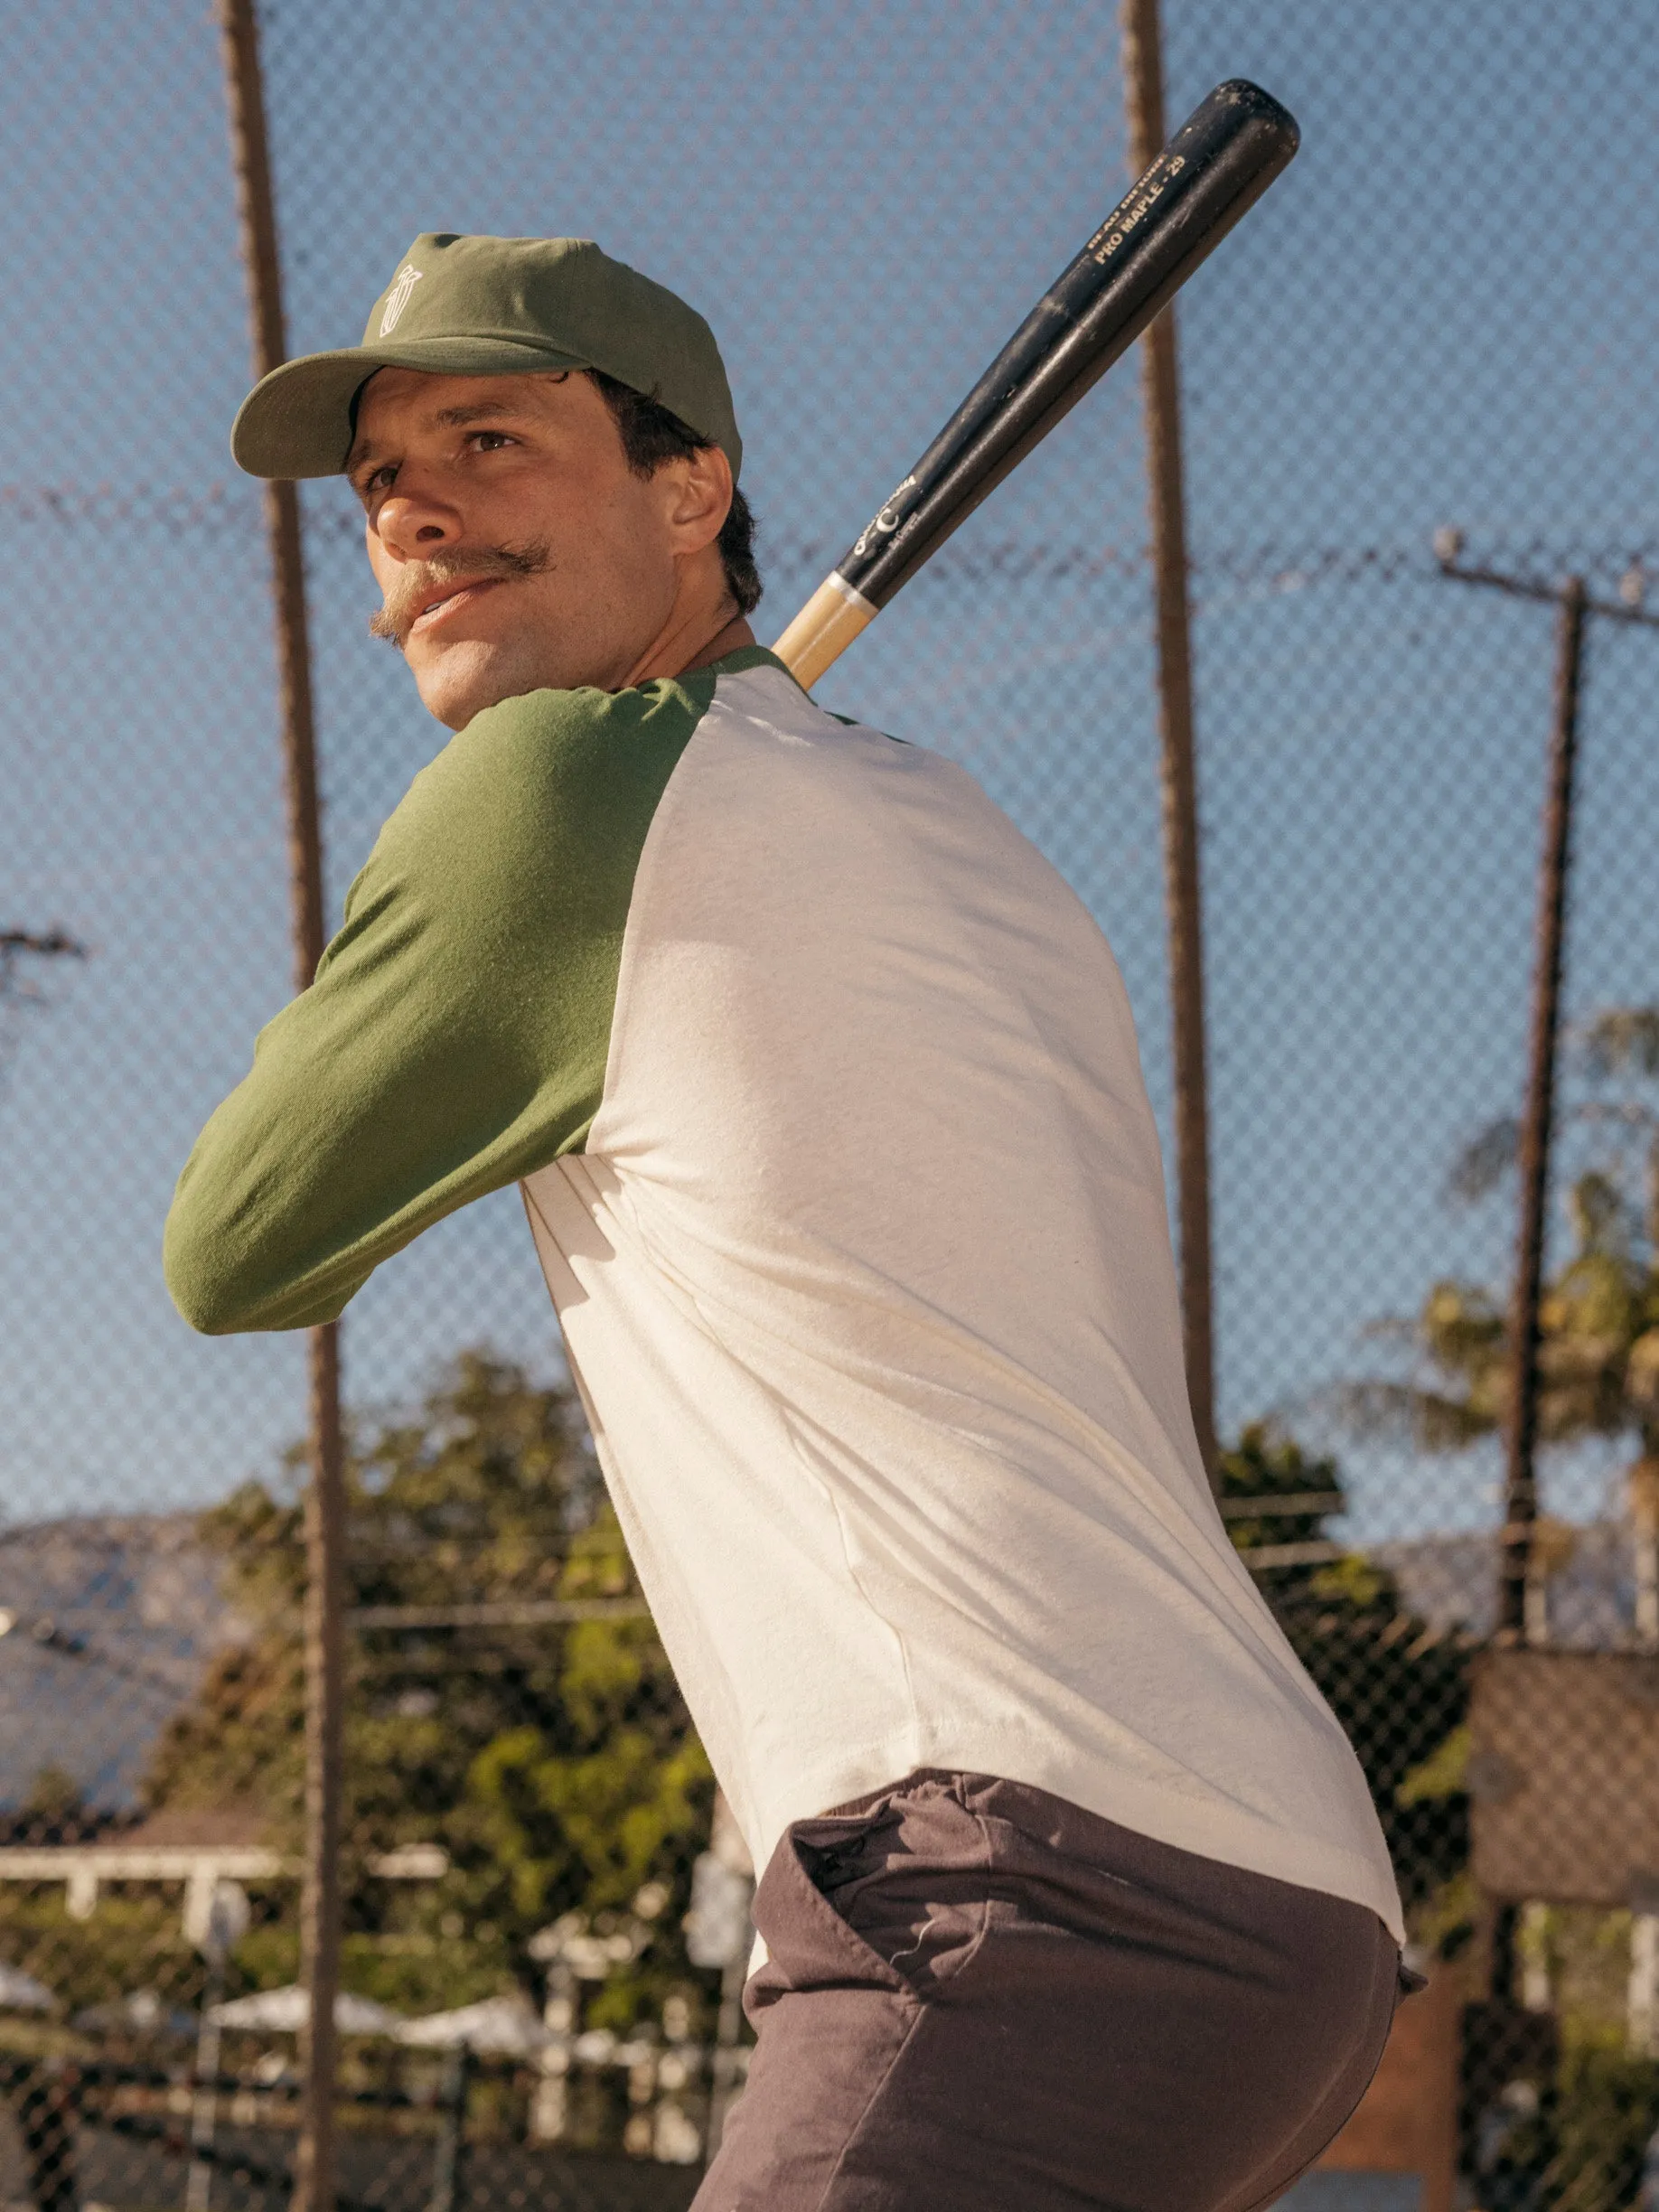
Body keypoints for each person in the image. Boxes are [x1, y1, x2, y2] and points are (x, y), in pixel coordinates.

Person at [166, 233, 1411, 2210]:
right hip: (1278, 1909)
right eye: (385, 479)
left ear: (692, 493)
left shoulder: (557, 791)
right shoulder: (936, 818)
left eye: (492, 438)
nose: (416, 507)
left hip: (1005, 1883)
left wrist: (474, 917)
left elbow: (236, 1244)